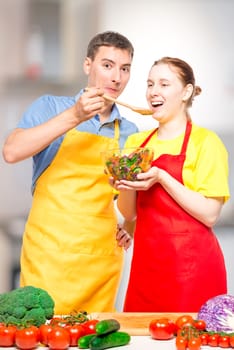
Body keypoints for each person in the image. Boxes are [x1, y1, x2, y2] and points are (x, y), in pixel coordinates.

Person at [2, 31, 139, 314]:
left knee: (94, 340)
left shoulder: (130, 132)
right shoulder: (49, 107)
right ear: (88, 65)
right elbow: (12, 152)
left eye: (124, 69)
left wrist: (130, 225)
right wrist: (75, 116)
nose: (116, 77)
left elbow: (129, 203)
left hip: (100, 262)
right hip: (48, 256)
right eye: (108, 65)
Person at [112, 57, 230, 312]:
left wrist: (163, 178)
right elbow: (130, 212)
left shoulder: (206, 143)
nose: (153, 91)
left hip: (192, 270)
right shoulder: (137, 142)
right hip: (146, 269)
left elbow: (210, 214)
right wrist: (123, 182)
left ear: (186, 92)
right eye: (150, 84)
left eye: (164, 84)